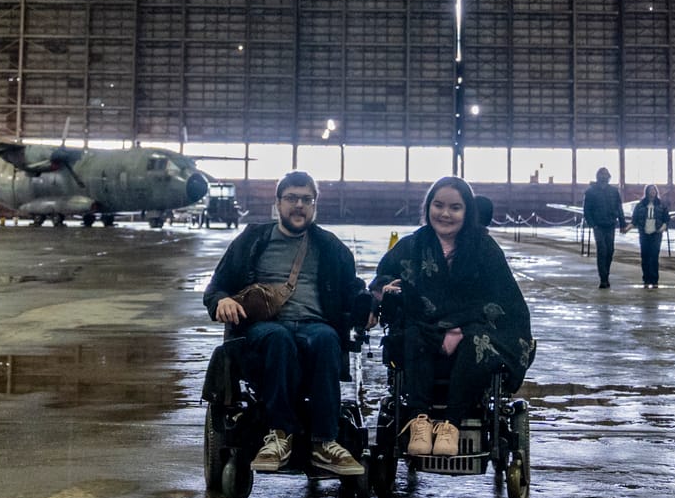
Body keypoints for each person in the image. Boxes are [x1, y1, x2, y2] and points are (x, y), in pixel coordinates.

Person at [203, 171, 369, 477]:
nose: (299, 205)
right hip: (263, 329)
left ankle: (324, 442)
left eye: (306, 199)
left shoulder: (330, 247)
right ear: (278, 203)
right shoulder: (253, 239)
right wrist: (222, 301)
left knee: (326, 338)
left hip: (313, 325)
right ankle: (279, 435)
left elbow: (353, 290)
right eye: (292, 198)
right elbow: (216, 287)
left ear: (315, 205)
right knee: (278, 338)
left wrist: (368, 307)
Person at [374, 176, 535, 459]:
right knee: (412, 334)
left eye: (455, 207)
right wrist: (385, 289)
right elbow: (383, 277)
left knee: (477, 341)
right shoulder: (412, 245)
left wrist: (460, 327)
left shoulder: (484, 248)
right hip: (424, 331)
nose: (445, 214)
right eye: (438, 205)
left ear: (467, 212)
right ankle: (420, 421)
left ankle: (452, 424)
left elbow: (504, 300)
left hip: (471, 331)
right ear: (428, 207)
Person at [581, 167, 625, 288]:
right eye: (602, 174)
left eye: (606, 174)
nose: (604, 176)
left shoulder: (614, 191)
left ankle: (606, 274)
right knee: (602, 250)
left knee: (610, 251)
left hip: (610, 225)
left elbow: (619, 207)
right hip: (598, 225)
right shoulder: (590, 191)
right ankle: (603, 278)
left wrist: (622, 223)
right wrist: (592, 224)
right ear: (598, 176)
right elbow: (587, 210)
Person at [630, 183, 671, 288]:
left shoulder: (662, 204)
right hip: (644, 234)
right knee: (645, 257)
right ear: (646, 192)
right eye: (650, 190)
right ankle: (646, 279)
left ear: (656, 192)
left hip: (656, 234)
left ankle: (654, 280)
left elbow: (666, 219)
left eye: (654, 190)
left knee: (654, 257)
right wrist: (626, 228)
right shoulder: (640, 205)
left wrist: (663, 227)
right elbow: (634, 220)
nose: (652, 192)